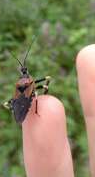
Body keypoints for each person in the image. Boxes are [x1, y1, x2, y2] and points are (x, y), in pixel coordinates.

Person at [22, 44, 95, 177]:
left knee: (46, 81)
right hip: (26, 97)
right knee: (46, 81)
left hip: (26, 97)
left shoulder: (25, 81)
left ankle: (41, 98)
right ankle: (41, 97)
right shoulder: (26, 81)